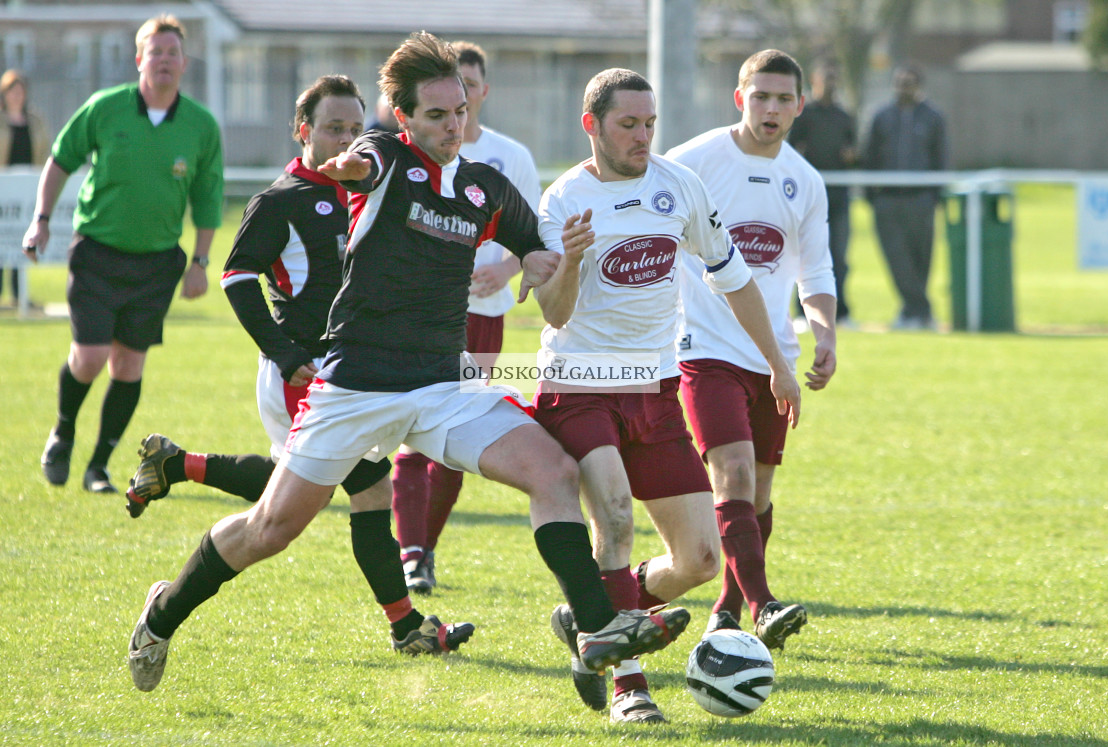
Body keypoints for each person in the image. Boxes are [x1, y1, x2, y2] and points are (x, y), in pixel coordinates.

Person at [126, 32, 689, 698]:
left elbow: (535, 250)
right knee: (270, 529)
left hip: (443, 385)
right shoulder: (385, 157)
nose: (453, 126)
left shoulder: (484, 187)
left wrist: (547, 259)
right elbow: (358, 161)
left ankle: (595, 627)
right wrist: (344, 169)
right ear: (404, 119)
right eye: (436, 116)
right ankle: (162, 614)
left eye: (459, 112)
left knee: (554, 471)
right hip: (356, 384)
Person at [533, 67, 800, 724]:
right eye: (628, 124)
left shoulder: (678, 186)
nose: (643, 137)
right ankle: (631, 689)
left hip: (655, 389)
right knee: (616, 522)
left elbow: (734, 278)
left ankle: (591, 615)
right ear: (591, 125)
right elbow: (555, 313)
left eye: (650, 124)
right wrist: (569, 259)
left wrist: (777, 363)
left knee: (702, 560)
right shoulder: (563, 200)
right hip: (580, 386)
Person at [124, 75, 393, 518]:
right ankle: (175, 586)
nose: (346, 139)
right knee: (357, 490)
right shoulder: (280, 200)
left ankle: (174, 464)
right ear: (304, 130)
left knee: (309, 486)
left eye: (354, 129)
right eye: (334, 128)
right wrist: (284, 354)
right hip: (304, 370)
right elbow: (236, 278)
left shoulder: (364, 190)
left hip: (354, 366)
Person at [665, 49, 836, 650]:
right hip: (704, 348)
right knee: (731, 473)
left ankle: (727, 612)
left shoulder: (805, 181)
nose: (770, 108)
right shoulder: (691, 163)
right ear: (739, 98)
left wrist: (824, 333)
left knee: (758, 492)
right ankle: (763, 605)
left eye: (782, 98)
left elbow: (815, 272)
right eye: (759, 96)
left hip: (772, 359)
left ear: (799, 106)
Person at [22, 15, 223, 494]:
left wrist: (199, 264)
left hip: (157, 263)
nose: (164, 61)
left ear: (184, 63)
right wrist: (41, 219)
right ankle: (63, 432)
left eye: (173, 53)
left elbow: (209, 198)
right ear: (139, 60)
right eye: (155, 52)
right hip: (97, 254)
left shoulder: (201, 125)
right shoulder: (105, 109)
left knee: (128, 366)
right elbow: (59, 161)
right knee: (89, 357)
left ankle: (98, 466)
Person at [391, 40, 542, 595]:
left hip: (482, 315)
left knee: (454, 426)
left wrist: (504, 268)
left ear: (481, 91)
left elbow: (533, 231)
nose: (465, 99)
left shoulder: (510, 157)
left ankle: (425, 545)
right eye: (455, 90)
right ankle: (410, 552)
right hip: (420, 314)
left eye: (473, 87)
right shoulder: (406, 155)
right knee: (411, 430)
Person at [863, 63, 947, 330]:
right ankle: (920, 311)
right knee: (896, 258)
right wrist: (871, 196)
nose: (903, 87)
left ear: (918, 86)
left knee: (921, 259)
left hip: (921, 200)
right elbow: (870, 156)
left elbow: (941, 156)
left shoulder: (933, 117)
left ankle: (914, 314)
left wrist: (937, 196)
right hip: (887, 200)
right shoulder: (881, 116)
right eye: (899, 82)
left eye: (909, 82)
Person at [786, 59, 856, 327]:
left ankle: (841, 312)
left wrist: (851, 157)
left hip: (838, 196)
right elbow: (791, 152)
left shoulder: (843, 116)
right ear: (814, 82)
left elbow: (853, 152)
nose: (830, 85)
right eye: (825, 79)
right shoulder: (805, 115)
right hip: (808, 197)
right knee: (804, 252)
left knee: (839, 255)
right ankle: (802, 312)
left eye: (834, 80)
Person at [1, 69, 51, 310]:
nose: (17, 96)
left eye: (20, 91)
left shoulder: (35, 121)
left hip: (28, 189)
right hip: (3, 189)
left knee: (23, 243)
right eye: (12, 91)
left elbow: (45, 152)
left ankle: (21, 295)